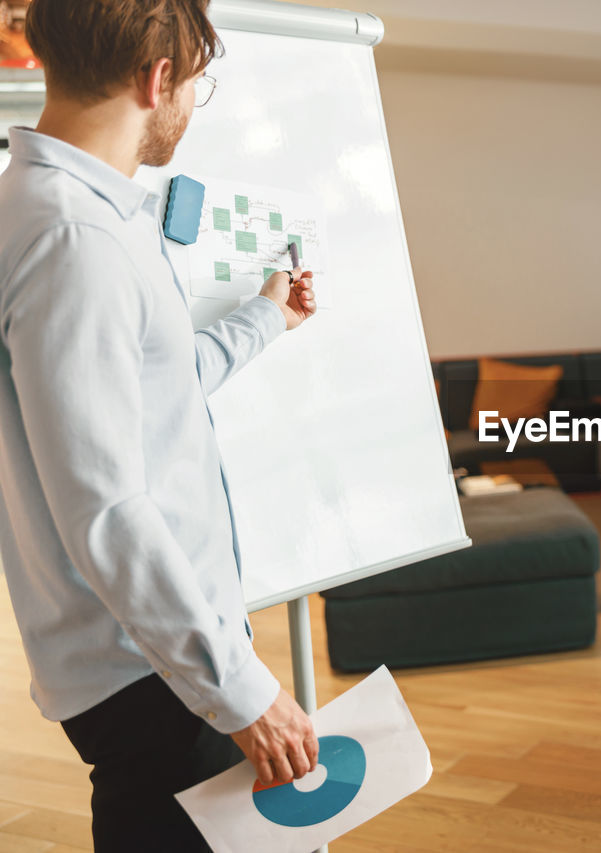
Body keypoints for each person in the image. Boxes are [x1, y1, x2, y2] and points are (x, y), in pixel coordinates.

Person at [0, 1, 319, 848]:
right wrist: (244, 691)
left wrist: (265, 317)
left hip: (159, 645)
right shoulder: (74, 238)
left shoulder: (79, 214)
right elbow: (105, 510)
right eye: (197, 85)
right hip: (151, 665)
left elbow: (153, 390)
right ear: (159, 79)